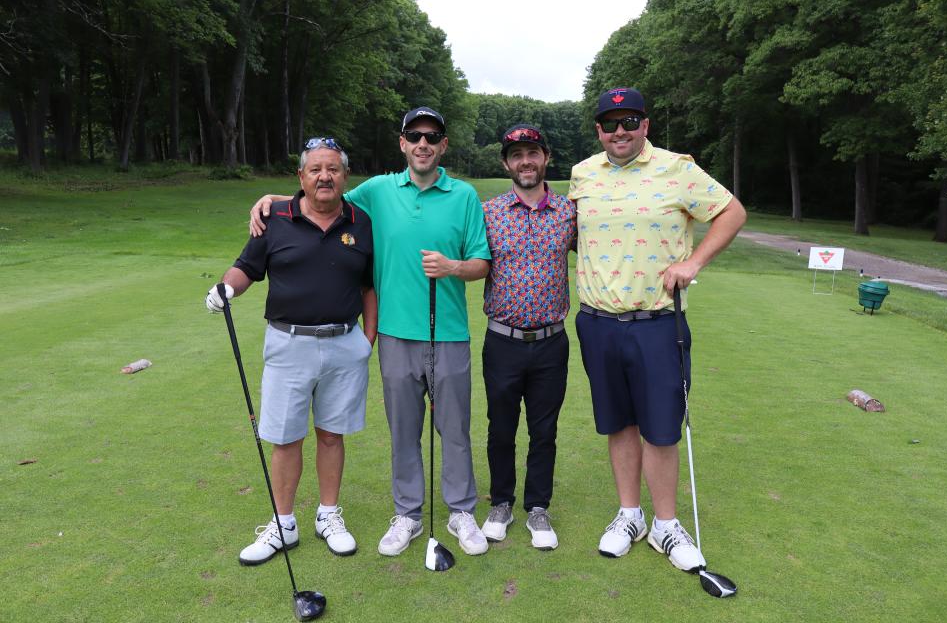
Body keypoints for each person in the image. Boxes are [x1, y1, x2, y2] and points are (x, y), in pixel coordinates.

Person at [249, 107, 492, 557]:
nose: (422, 144)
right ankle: (408, 514)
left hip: (450, 332)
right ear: (402, 143)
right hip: (396, 336)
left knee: (453, 427)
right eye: (413, 136)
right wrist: (272, 201)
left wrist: (453, 267)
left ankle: (461, 512)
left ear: (442, 145)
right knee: (403, 430)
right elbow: (324, 195)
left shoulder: (464, 196)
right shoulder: (378, 191)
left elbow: (481, 262)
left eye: (431, 136)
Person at [569, 88, 746, 570]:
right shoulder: (583, 174)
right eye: (610, 124)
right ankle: (630, 515)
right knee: (618, 422)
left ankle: (666, 525)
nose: (620, 131)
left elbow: (732, 213)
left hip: (658, 321)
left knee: (661, 427)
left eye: (630, 122)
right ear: (599, 131)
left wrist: (694, 261)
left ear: (645, 125)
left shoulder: (677, 168)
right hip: (597, 321)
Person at [206, 137, 377, 564]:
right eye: (315, 169)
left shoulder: (362, 221)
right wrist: (227, 288)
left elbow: (369, 284)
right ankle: (284, 525)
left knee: (331, 434)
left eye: (333, 169)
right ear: (300, 177)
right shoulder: (274, 217)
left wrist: (366, 340)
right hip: (288, 343)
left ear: (345, 176)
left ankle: (328, 515)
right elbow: (247, 266)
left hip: (344, 343)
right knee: (284, 438)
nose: (325, 176)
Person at [478, 124, 576, 550]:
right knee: (500, 428)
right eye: (516, 155)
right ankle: (501, 501)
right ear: (506, 163)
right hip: (502, 342)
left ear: (546, 157)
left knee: (545, 430)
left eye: (532, 152)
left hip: (552, 341)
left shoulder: (570, 213)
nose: (525, 161)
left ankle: (538, 507)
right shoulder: (490, 212)